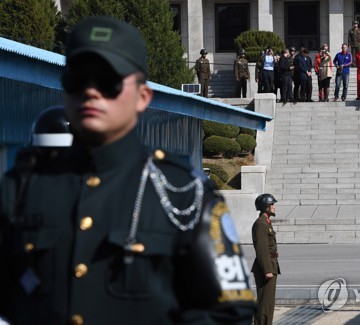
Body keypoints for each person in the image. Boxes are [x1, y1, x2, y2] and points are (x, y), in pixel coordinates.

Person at [0, 16, 255, 324]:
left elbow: (230, 314)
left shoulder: (184, 193)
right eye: (78, 79)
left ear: (143, 96)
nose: (91, 91)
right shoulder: (23, 187)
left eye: (108, 81)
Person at [252, 194, 280, 325]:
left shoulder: (266, 222)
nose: (274, 207)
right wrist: (267, 270)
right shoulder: (261, 224)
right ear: (265, 206)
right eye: (272, 204)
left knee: (268, 303)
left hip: (271, 265)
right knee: (264, 303)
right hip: (266, 268)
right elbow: (261, 249)